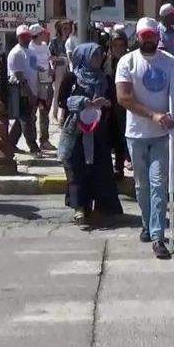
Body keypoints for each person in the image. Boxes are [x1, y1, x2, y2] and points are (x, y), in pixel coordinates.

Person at [116, 17, 174, 260]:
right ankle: (146, 223)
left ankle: (157, 236)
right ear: (138, 37)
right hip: (136, 135)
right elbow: (123, 98)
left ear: (157, 36)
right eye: (144, 35)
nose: (148, 39)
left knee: (158, 185)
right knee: (142, 187)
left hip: (162, 136)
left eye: (152, 35)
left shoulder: (170, 62)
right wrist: (153, 115)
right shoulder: (127, 62)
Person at [57, 43, 124, 226]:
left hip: (99, 132)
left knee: (100, 170)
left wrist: (106, 104)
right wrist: (83, 102)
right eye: (94, 56)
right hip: (77, 131)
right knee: (77, 169)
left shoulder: (105, 79)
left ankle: (102, 207)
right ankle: (80, 207)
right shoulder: (72, 77)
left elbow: (114, 101)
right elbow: (62, 100)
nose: (98, 59)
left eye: (99, 56)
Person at [7, 25, 41, 156]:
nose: (26, 39)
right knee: (26, 119)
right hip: (21, 91)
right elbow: (20, 76)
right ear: (18, 37)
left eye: (27, 36)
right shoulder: (16, 53)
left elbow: (33, 66)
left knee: (21, 119)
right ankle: (33, 147)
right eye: (23, 37)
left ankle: (11, 143)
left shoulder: (31, 50)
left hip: (33, 88)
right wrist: (30, 93)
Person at [103, 29, 131, 179]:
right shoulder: (105, 61)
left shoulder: (129, 61)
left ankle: (119, 166)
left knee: (122, 136)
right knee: (108, 137)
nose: (118, 49)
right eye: (115, 46)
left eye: (121, 45)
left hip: (124, 105)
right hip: (108, 104)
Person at [30, 23, 57, 151]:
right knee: (34, 113)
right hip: (37, 83)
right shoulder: (30, 48)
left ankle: (44, 139)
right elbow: (31, 65)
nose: (45, 35)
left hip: (48, 81)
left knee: (45, 112)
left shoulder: (45, 46)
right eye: (42, 33)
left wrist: (52, 68)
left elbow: (49, 60)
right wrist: (38, 68)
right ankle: (32, 140)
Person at [50, 20, 72, 121]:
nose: (67, 30)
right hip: (59, 67)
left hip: (69, 67)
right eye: (64, 28)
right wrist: (61, 58)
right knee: (57, 91)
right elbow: (49, 56)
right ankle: (54, 114)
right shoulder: (55, 41)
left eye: (68, 28)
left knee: (67, 90)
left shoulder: (71, 40)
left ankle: (63, 115)